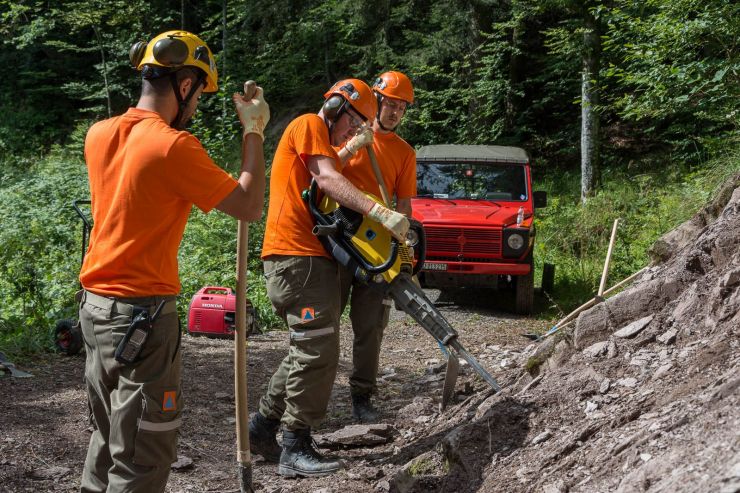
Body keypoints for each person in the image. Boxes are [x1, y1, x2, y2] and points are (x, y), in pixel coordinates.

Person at [78, 30, 269, 493]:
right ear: (184, 85)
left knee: (106, 438)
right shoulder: (172, 146)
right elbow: (247, 205)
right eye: (200, 92)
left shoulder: (98, 134)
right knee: (145, 451)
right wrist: (253, 132)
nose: (199, 103)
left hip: (95, 310)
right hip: (141, 316)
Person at [248, 79, 410, 478]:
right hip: (296, 254)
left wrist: (347, 150)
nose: (353, 133)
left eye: (359, 127)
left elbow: (329, 169)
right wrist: (381, 212)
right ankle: (295, 443)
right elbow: (329, 181)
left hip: (310, 255)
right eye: (352, 123)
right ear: (337, 106)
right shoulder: (308, 123)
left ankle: (264, 426)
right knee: (319, 351)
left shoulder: (325, 139)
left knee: (308, 346)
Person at [334, 71, 417, 422]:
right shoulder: (347, 131)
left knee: (370, 325)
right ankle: (312, 392)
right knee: (324, 319)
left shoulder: (404, 153)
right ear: (377, 102)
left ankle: (362, 396)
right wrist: (352, 145)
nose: (395, 112)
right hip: (337, 238)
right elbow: (321, 170)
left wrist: (403, 244)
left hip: (377, 248)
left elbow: (404, 206)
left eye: (401, 108)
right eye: (390, 104)